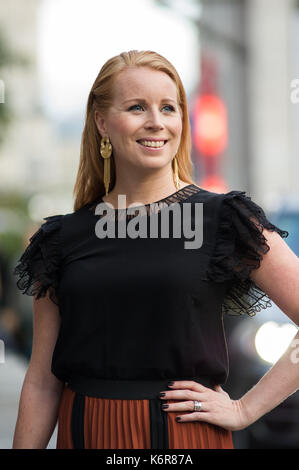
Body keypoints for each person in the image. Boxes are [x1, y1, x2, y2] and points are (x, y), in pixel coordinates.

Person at [12, 50, 299, 450]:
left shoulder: (222, 219)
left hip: (185, 439)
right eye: (136, 107)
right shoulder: (62, 238)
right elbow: (43, 382)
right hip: (85, 435)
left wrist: (244, 410)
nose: (156, 122)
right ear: (101, 122)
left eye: (169, 107)